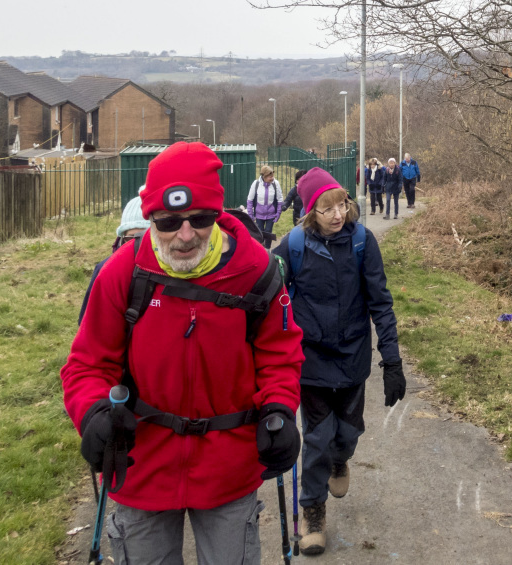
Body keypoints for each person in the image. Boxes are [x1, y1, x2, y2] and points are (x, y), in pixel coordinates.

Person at [61, 142, 304, 565]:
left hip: (229, 468)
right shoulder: (122, 274)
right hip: (141, 467)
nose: (185, 234)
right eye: (169, 221)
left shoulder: (258, 272)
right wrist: (92, 413)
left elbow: (279, 354)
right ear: (150, 216)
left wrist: (279, 408)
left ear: (218, 213)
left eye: (200, 218)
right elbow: (87, 363)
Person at [274, 167, 406, 556]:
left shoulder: (363, 242)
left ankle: (340, 459)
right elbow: (265, 288)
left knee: (347, 433)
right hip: (310, 358)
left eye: (341, 203)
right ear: (309, 211)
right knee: (315, 438)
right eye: (325, 207)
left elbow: (380, 302)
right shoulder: (293, 245)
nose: (336, 213)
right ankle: (313, 512)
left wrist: (392, 359)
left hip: (352, 356)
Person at [78, 189, 151, 324]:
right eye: (133, 238)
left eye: (149, 238)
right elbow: (90, 327)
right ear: (121, 239)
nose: (142, 246)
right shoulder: (106, 270)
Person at [246, 165, 284, 249]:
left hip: (271, 214)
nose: (272, 178)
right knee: (260, 233)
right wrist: (250, 214)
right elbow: (250, 200)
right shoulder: (256, 184)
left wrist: (278, 213)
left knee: (268, 232)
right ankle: (260, 249)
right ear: (264, 176)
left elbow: (280, 199)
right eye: (270, 176)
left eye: (273, 176)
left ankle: (267, 250)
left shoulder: (275, 184)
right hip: (259, 215)